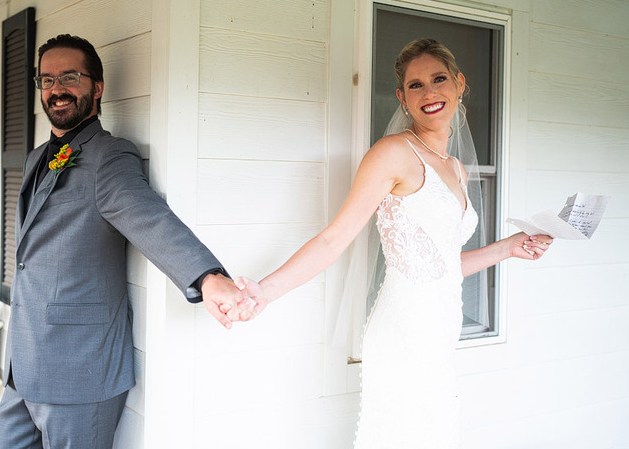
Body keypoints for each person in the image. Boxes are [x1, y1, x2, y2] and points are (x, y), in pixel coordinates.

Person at [237, 39, 553, 448]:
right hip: (404, 334)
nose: (430, 92)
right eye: (416, 85)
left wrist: (507, 247)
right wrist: (265, 290)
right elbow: (334, 239)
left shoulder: (455, 168)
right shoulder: (392, 154)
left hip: (438, 336)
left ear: (459, 84)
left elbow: (438, 266)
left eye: (439, 79)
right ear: (403, 99)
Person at [0, 34, 253, 449]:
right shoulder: (36, 157)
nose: (56, 89)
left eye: (69, 77)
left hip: (79, 373)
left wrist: (207, 278)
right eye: (46, 80)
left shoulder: (108, 157)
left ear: (97, 87)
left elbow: (148, 218)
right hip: (21, 369)